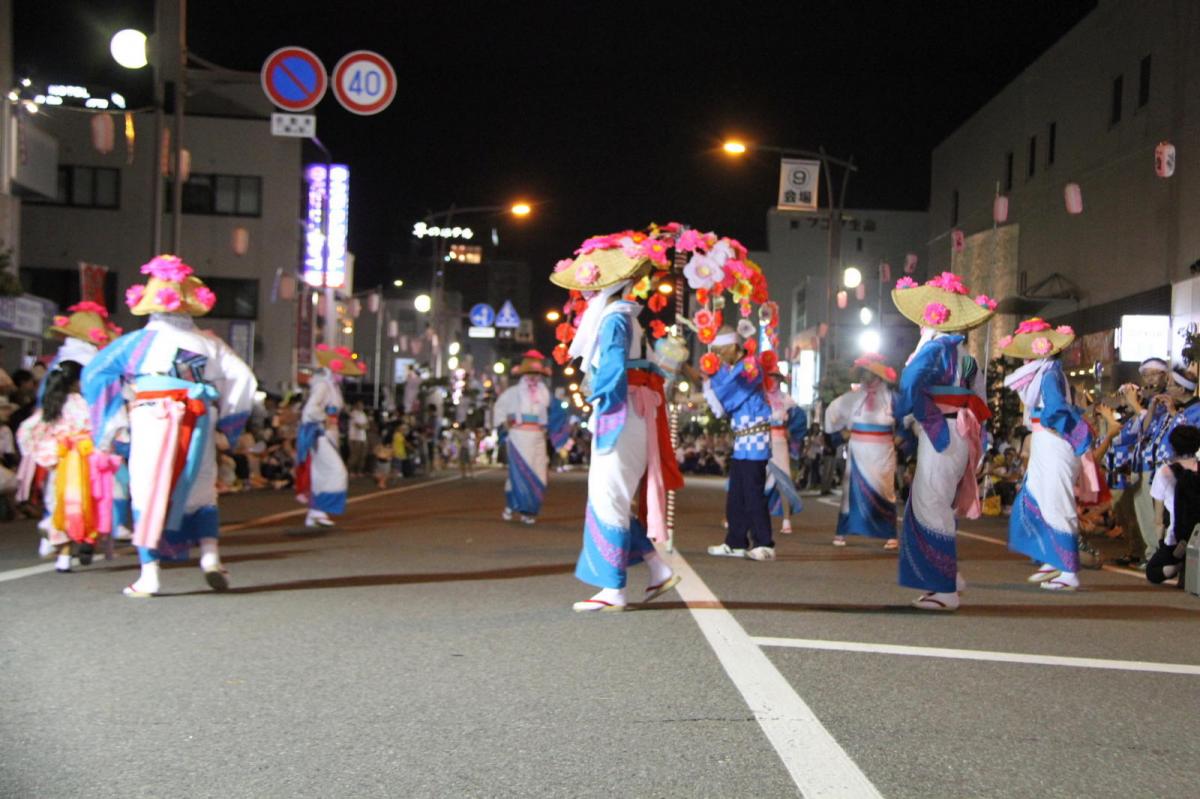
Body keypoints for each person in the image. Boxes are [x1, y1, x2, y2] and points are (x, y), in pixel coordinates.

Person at [82, 255, 256, 597]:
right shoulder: (209, 343)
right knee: (201, 487)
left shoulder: (136, 343)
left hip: (151, 418)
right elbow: (244, 379)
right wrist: (227, 420)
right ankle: (210, 558)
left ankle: (150, 574)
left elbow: (94, 374)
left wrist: (114, 420)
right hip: (197, 419)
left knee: (148, 488)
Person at [551, 234, 683, 611]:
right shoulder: (624, 318)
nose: (586, 296)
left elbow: (610, 370)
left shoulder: (613, 320)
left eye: (590, 289)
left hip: (620, 412)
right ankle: (657, 570)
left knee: (608, 496)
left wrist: (599, 404)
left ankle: (613, 589)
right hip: (633, 412)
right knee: (615, 497)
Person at [891, 273, 995, 611]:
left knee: (930, 504)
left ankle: (945, 588)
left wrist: (909, 411)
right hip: (960, 432)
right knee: (936, 502)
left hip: (940, 432)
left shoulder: (936, 349)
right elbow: (979, 399)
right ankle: (951, 577)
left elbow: (909, 384)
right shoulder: (966, 357)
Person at [1000, 319, 1094, 591]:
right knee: (1036, 498)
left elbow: (1054, 408)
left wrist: (1063, 427)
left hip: (1054, 442)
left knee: (1056, 503)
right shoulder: (1044, 372)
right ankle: (1053, 558)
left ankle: (1068, 570)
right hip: (1046, 442)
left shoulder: (1049, 373)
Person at [17, 361, 96, 573]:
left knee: (58, 506)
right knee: (82, 505)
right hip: (82, 461)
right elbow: (93, 428)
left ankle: (62, 551)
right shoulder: (83, 403)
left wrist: (44, 455)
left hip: (59, 463)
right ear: (76, 381)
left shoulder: (50, 404)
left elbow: (26, 430)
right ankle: (75, 546)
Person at [823, 353, 900, 550]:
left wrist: (903, 437)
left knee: (885, 489)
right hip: (858, 451)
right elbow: (832, 413)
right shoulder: (853, 398)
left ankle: (889, 533)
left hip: (883, 452)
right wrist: (840, 433)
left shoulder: (892, 399)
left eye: (870, 374)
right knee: (850, 493)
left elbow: (909, 418)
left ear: (879, 376)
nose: (866, 378)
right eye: (864, 374)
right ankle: (842, 531)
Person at [295, 345, 364, 527]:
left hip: (329, 433)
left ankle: (315, 513)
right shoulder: (323, 385)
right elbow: (310, 410)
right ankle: (319, 508)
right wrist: (324, 418)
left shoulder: (332, 386)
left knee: (320, 472)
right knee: (336, 470)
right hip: (320, 433)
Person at [493, 350, 555, 524]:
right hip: (519, 435)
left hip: (538, 436)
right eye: (530, 373)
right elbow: (499, 409)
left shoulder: (544, 393)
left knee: (539, 472)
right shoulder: (512, 392)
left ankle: (528, 510)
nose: (534, 377)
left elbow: (551, 414)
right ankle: (514, 507)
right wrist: (503, 425)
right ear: (523, 374)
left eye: (537, 374)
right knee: (521, 473)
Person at [1146, 424, 1200, 585]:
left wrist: (1161, 544)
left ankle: (1177, 566)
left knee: (1153, 571)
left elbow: (1159, 519)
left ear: (1173, 446)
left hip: (1178, 539)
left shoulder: (1164, 471)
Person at [765, 372, 807, 535]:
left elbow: (800, 419)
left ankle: (787, 520)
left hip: (780, 442)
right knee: (752, 479)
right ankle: (737, 516)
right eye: (770, 378)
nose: (773, 382)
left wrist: (792, 431)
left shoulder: (786, 400)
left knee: (784, 480)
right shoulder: (760, 396)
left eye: (776, 379)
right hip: (761, 442)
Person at [347, 400, 369, 476]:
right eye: (360, 405)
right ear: (356, 405)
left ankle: (359, 471)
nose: (362, 406)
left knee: (362, 456)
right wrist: (363, 426)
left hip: (362, 438)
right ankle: (350, 471)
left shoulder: (363, 414)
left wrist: (363, 426)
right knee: (354, 455)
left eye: (362, 405)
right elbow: (358, 426)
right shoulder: (353, 413)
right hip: (354, 438)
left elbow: (367, 426)